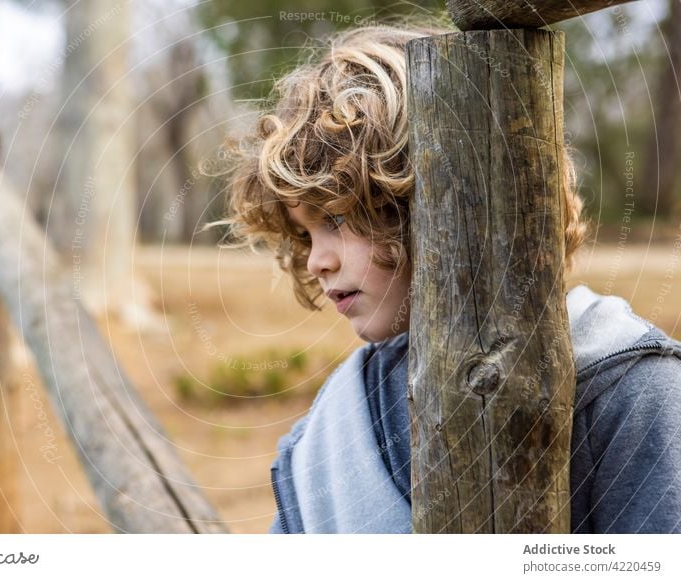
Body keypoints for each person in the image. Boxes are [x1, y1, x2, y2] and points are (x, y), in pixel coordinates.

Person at [206, 24, 681, 533]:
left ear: (436, 199)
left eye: (338, 219)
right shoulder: (326, 439)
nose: (316, 261)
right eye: (306, 235)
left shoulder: (629, 388)